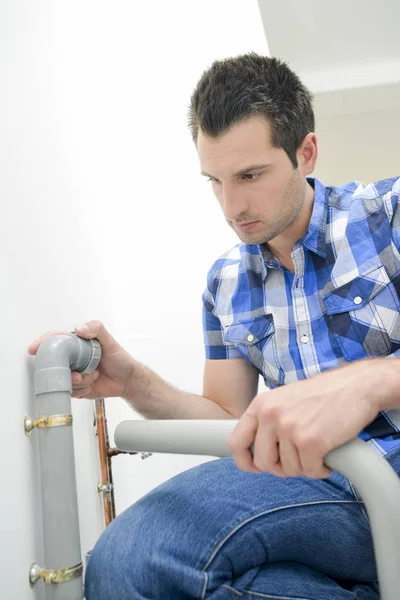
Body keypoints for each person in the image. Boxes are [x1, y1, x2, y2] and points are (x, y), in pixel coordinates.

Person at [28, 53, 400, 599]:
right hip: (323, 496)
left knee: (140, 554)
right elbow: (226, 419)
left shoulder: (386, 214)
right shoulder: (226, 281)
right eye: (215, 181)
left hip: (384, 474)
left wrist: (370, 382)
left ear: (306, 152)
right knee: (198, 581)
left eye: (250, 175)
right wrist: (133, 382)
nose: (232, 206)